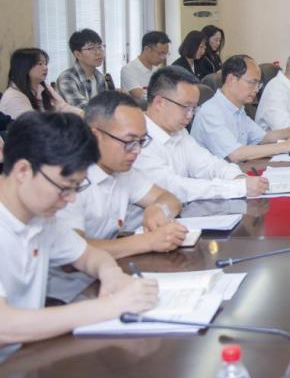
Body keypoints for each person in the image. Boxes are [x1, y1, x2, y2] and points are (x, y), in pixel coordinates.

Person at [0, 112, 157, 349]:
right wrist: (109, 307)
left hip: (26, 355)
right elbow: (4, 326)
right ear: (23, 171)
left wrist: (111, 275)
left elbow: (89, 255)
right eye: (65, 188)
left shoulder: (41, 218)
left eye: (77, 187)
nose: (71, 199)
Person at [51, 91, 186, 302]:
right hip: (66, 296)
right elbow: (71, 252)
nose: (137, 151)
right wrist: (147, 242)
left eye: (141, 141)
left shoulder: (121, 171)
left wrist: (157, 209)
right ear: (95, 136)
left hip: (110, 279)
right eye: (129, 141)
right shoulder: (67, 179)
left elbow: (170, 199)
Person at [134, 67, 269, 201]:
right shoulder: (137, 140)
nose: (190, 115)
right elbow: (173, 188)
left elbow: (209, 164)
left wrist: (238, 178)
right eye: (185, 107)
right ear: (159, 102)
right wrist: (236, 187)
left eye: (193, 108)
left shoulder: (179, 132)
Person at [192, 55, 290, 162]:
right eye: (252, 82)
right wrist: (287, 145)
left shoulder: (237, 109)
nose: (256, 89)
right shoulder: (211, 112)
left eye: (258, 84)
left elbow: (262, 138)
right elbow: (235, 154)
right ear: (231, 80)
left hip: (238, 173)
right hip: (215, 181)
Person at [1, 48, 81, 119]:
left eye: (45, 64)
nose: (45, 68)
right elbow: (31, 125)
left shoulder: (44, 87)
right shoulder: (14, 96)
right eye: (40, 64)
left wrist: (83, 115)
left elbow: (63, 107)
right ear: (24, 67)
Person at [55, 28, 109, 108]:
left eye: (99, 47)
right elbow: (82, 109)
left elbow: (106, 105)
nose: (98, 52)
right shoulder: (66, 79)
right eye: (91, 48)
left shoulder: (98, 76)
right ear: (77, 54)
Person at [120, 31, 171, 102]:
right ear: (147, 49)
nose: (163, 58)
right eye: (161, 53)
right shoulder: (128, 70)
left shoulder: (157, 70)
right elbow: (140, 95)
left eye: (166, 54)